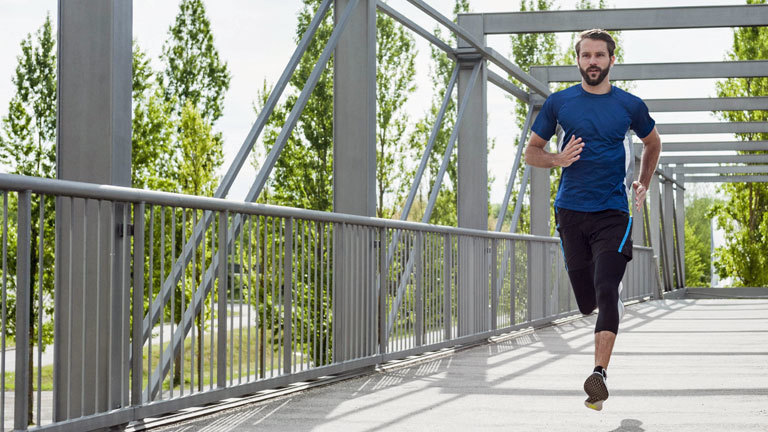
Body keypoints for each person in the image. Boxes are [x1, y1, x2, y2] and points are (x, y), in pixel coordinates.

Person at [523, 29, 661, 411]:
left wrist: (643, 184)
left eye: (600, 55)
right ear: (578, 60)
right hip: (570, 212)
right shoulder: (559, 103)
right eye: (586, 56)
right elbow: (532, 153)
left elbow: (653, 143)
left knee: (605, 287)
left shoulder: (629, 105)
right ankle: (604, 300)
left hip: (613, 212)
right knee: (586, 301)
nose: (593, 62)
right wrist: (557, 159)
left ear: (612, 60)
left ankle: (598, 374)